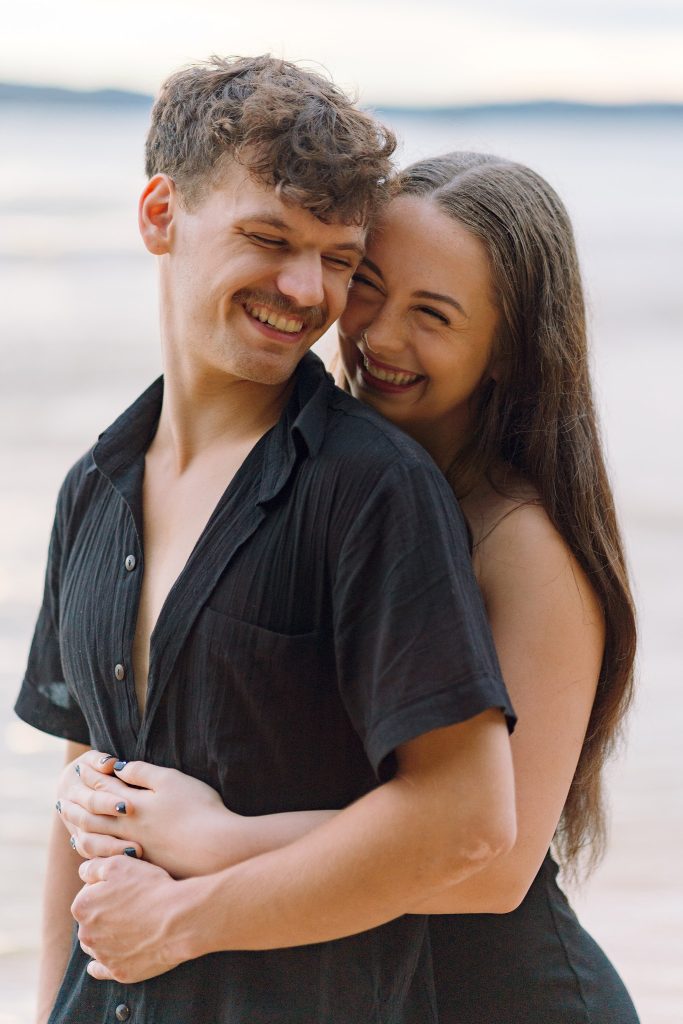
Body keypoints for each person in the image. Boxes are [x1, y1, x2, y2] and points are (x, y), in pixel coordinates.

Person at [57, 152, 639, 1022]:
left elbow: (487, 862)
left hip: (501, 997)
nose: (378, 336)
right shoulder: (335, 488)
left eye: (432, 315)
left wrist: (211, 846)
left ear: (507, 354)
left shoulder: (523, 545)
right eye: (366, 285)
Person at [16, 63, 518, 1024]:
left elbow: (465, 822)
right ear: (161, 213)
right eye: (268, 239)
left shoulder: (373, 489)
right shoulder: (93, 488)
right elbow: (84, 800)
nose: (306, 291)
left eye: (338, 257)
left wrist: (187, 917)